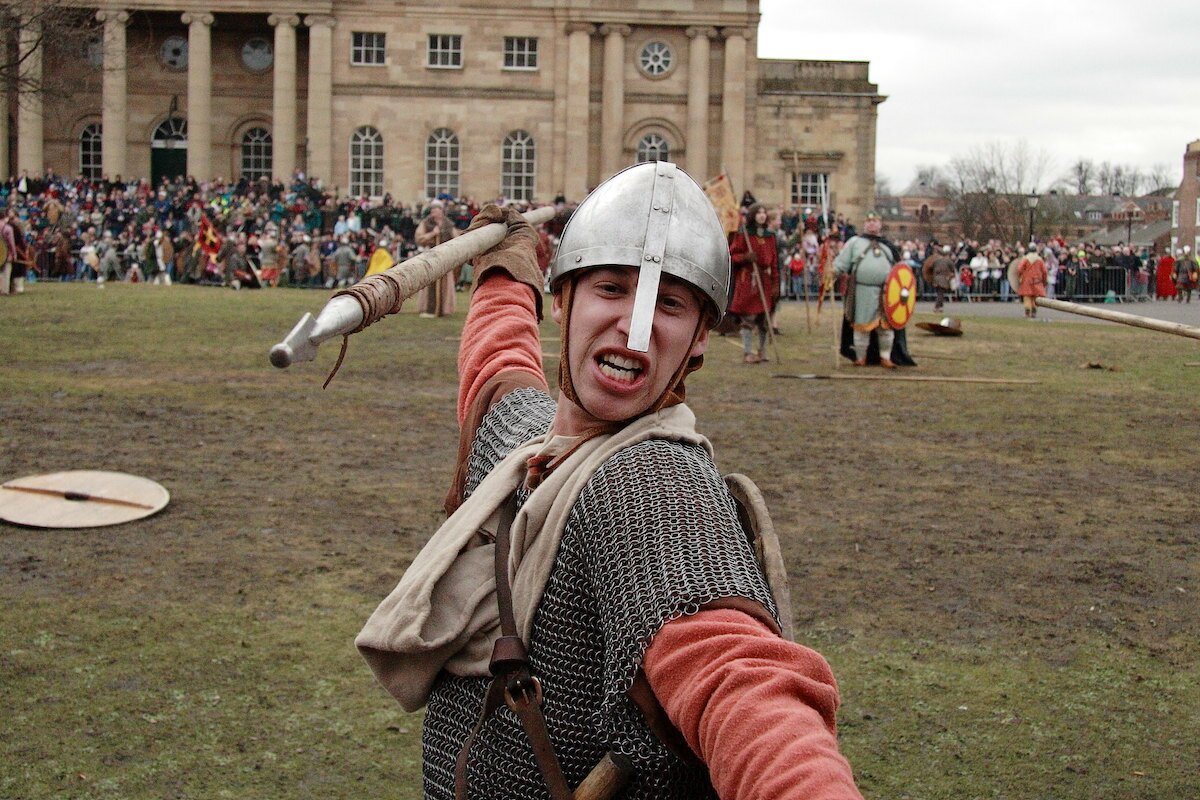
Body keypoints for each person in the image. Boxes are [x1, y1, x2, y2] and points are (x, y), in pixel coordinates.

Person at [355, 162, 862, 800]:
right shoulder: (528, 442)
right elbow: (500, 367)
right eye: (612, 289)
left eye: (669, 304)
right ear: (562, 300)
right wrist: (506, 272)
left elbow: (737, 676)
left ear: (700, 338)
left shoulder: (651, 482)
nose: (636, 325)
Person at [834, 211, 899, 367]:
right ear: (864, 224)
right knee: (861, 325)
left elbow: (899, 269)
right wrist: (833, 272)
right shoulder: (854, 242)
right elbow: (841, 263)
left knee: (885, 326)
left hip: (886, 292)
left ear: (880, 224)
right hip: (862, 291)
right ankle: (861, 357)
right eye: (868, 221)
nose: (871, 224)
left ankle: (885, 357)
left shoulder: (888, 245)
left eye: (875, 221)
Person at [728, 203, 779, 363]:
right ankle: (747, 353)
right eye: (759, 212)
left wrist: (776, 283)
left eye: (764, 212)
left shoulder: (770, 236)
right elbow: (732, 255)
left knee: (764, 318)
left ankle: (762, 351)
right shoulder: (744, 234)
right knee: (748, 317)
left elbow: (774, 262)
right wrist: (745, 257)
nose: (762, 215)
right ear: (753, 215)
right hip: (748, 279)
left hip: (764, 280)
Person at [415, 199, 458, 317]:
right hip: (431, 256)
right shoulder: (426, 222)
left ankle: (444, 309)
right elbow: (419, 238)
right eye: (432, 209)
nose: (433, 212)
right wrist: (432, 234)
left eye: (436, 209)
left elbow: (457, 239)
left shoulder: (448, 224)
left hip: (444, 257)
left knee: (445, 282)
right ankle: (429, 308)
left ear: (441, 211)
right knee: (430, 281)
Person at [1015, 243, 1048, 318]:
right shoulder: (1040, 260)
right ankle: (1034, 311)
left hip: (1027, 281)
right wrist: (1044, 281)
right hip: (1037, 281)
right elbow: (1045, 271)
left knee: (1027, 297)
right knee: (1035, 297)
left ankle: (1027, 312)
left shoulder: (1026, 259)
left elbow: (1019, 269)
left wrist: (1020, 277)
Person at [924, 244, 955, 312]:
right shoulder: (948, 261)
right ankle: (937, 307)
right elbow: (952, 270)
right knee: (940, 294)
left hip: (936, 278)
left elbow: (930, 267)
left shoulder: (936, 261)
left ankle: (940, 306)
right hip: (943, 278)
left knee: (939, 293)